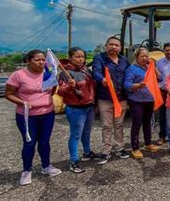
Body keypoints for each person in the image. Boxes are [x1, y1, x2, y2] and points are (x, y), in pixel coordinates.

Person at [5, 50, 62, 186]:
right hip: (27, 116)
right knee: (29, 143)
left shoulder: (48, 73)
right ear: (29, 60)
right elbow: (9, 93)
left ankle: (46, 166)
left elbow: (52, 90)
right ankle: (26, 170)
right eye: (37, 60)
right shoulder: (18, 75)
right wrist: (22, 102)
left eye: (43, 60)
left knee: (44, 142)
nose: (41, 62)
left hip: (48, 113)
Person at [58, 47, 99, 173]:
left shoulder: (86, 70)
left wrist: (95, 102)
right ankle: (74, 161)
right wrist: (70, 87)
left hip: (89, 106)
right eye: (77, 56)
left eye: (82, 57)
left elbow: (92, 87)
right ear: (70, 57)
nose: (81, 59)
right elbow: (61, 91)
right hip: (76, 108)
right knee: (75, 134)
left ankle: (87, 152)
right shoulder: (65, 73)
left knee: (86, 132)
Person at [92, 36, 130, 164]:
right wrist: (102, 79)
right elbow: (96, 72)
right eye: (111, 44)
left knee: (119, 125)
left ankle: (120, 148)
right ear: (106, 45)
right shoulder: (100, 59)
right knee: (107, 125)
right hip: (106, 98)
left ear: (120, 47)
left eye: (116, 45)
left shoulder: (124, 60)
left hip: (121, 98)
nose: (114, 47)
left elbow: (130, 74)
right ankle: (106, 151)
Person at [124, 47, 160, 159]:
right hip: (137, 101)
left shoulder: (149, 68)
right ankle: (135, 148)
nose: (145, 58)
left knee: (147, 123)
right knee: (137, 124)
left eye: (146, 56)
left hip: (149, 100)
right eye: (142, 56)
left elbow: (159, 77)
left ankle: (148, 144)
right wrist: (138, 85)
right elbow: (127, 85)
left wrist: (154, 67)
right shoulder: (132, 69)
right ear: (136, 57)